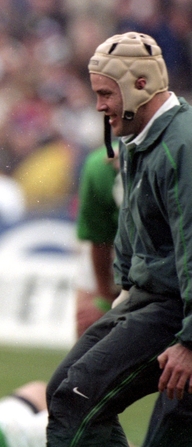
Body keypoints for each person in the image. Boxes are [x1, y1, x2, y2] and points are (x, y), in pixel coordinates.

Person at [46, 32, 192, 447]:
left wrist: (190, 341)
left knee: (75, 400)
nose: (99, 106)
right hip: (149, 300)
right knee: (64, 390)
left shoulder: (183, 147)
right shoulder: (137, 142)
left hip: (176, 310)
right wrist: (124, 289)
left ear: (140, 85)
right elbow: (131, 229)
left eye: (105, 94)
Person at [73, 144, 121, 337]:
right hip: (115, 250)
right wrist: (103, 297)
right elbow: (99, 240)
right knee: (88, 324)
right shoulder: (101, 167)